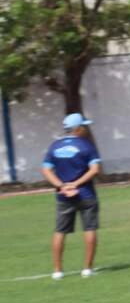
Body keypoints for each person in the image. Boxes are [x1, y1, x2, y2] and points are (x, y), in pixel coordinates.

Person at [41, 113, 101, 279]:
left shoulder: (54, 146)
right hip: (86, 194)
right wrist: (76, 184)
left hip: (63, 196)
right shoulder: (86, 146)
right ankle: (87, 269)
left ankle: (57, 271)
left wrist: (61, 185)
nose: (86, 129)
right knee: (89, 228)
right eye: (84, 126)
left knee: (60, 231)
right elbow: (95, 170)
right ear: (78, 129)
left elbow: (46, 169)